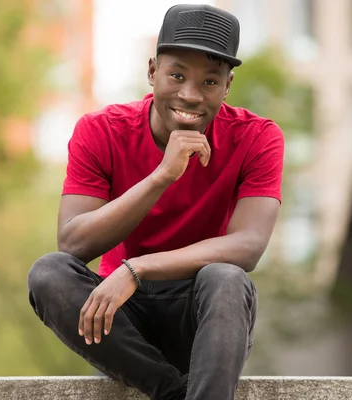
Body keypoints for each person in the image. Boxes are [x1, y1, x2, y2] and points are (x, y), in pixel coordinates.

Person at [27, 4, 284, 400]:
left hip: (204, 317)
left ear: (228, 86)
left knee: (227, 277)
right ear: (152, 72)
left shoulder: (257, 138)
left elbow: (247, 247)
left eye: (210, 82)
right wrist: (162, 175)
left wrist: (138, 268)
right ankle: (170, 393)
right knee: (49, 273)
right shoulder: (101, 131)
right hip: (120, 322)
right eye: (177, 75)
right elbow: (74, 244)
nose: (190, 95)